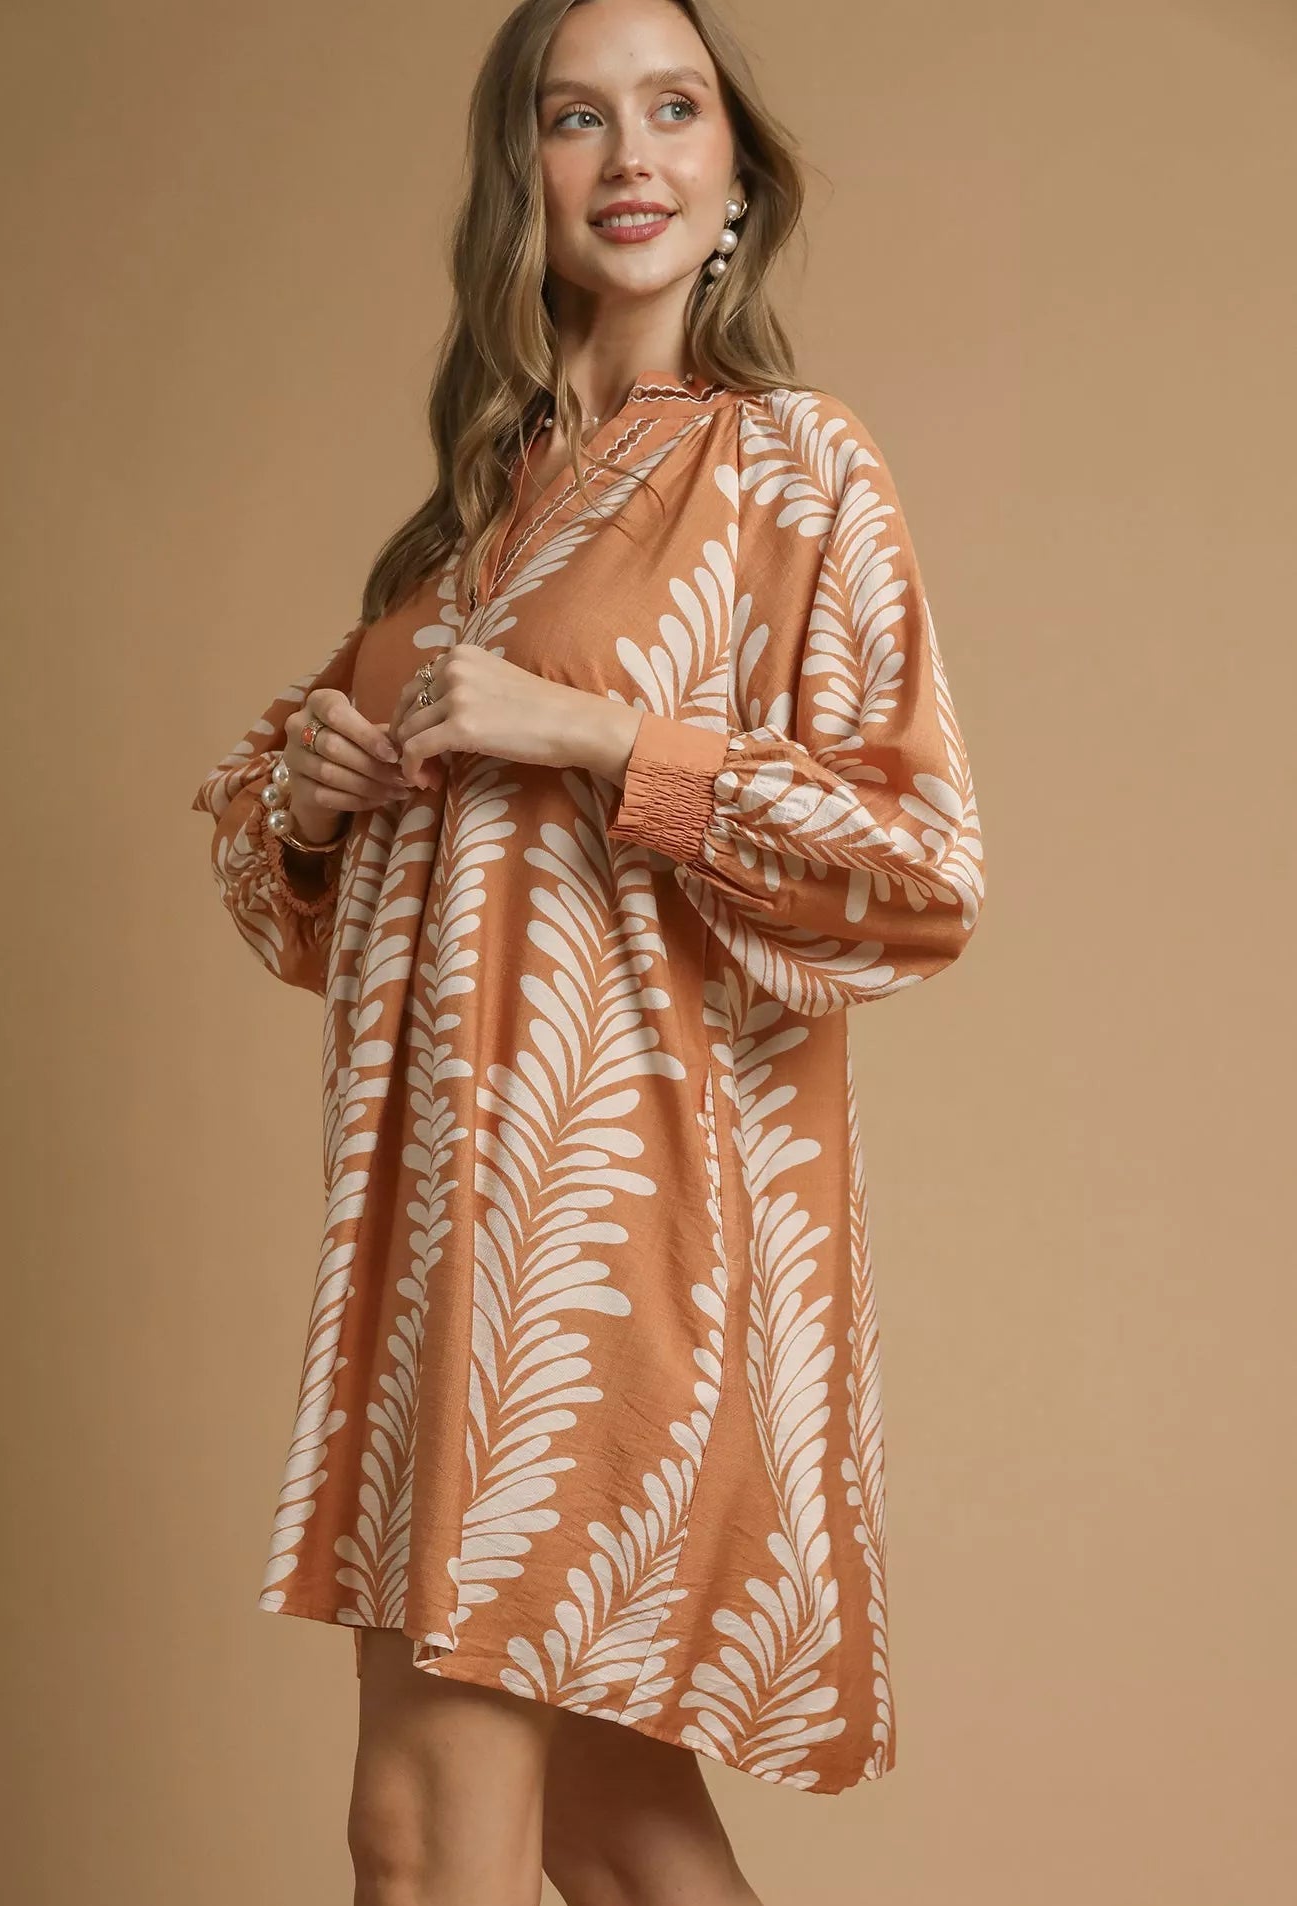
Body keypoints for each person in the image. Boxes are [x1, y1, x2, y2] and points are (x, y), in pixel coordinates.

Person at [191, 1, 986, 1900]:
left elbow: (920, 865)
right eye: (573, 116)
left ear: (731, 181)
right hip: (423, 1238)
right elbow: (278, 888)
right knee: (615, 1836)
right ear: (519, 183)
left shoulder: (792, 465)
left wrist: (603, 739)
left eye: (672, 109)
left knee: (423, 1835)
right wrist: (307, 791)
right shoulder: (458, 543)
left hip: (613, 1247)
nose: (627, 153)